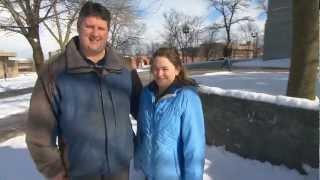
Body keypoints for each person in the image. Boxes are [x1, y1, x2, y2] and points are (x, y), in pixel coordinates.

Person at [25, 2, 142, 180]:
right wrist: (55, 171)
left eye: (101, 28)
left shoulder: (124, 69)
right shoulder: (54, 72)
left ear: (108, 31)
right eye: (89, 26)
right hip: (78, 173)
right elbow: (38, 133)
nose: (95, 33)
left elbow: (144, 111)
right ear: (79, 27)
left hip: (120, 169)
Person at [134, 47, 205, 180]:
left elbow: (194, 147)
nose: (159, 73)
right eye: (155, 68)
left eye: (165, 69)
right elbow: (142, 133)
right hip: (148, 173)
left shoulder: (187, 97)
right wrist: (139, 163)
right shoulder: (146, 95)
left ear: (177, 69)